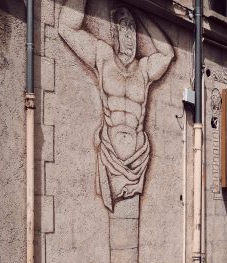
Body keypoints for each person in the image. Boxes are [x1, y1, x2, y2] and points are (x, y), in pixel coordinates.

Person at [58, 1, 175, 212]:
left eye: (133, 30)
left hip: (138, 160)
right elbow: (67, 27)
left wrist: (144, 15)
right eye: (124, 28)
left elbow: (168, 54)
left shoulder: (144, 69)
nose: (130, 36)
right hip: (110, 155)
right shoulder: (103, 57)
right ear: (114, 33)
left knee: (129, 224)